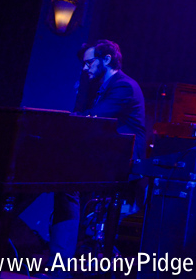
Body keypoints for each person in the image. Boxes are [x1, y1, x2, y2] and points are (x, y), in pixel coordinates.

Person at [51, 40, 146, 266]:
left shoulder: (123, 85)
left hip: (122, 161)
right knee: (62, 177)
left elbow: (94, 119)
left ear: (106, 60)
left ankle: (62, 261)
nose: (85, 69)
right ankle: (66, 257)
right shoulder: (105, 87)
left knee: (66, 184)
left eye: (89, 63)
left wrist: (63, 121)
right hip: (107, 157)